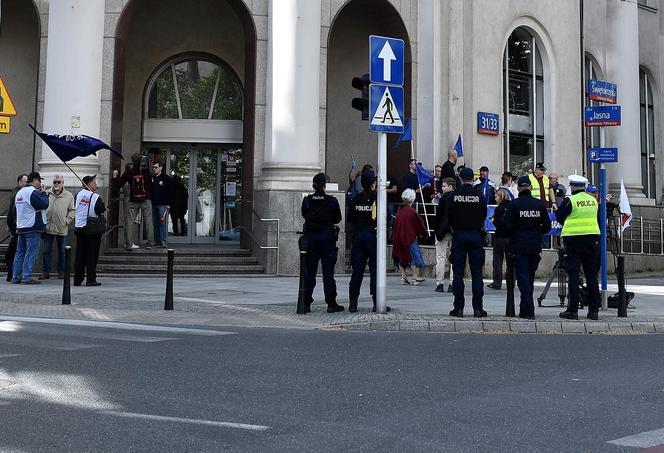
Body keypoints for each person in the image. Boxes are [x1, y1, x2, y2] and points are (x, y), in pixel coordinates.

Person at [502, 176, 552, 319]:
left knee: (523, 278)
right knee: (529, 277)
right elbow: (547, 226)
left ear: (518, 189)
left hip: (519, 245)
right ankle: (525, 307)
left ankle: (528, 309)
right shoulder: (539, 204)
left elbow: (507, 226)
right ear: (530, 187)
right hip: (535, 245)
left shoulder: (514, 205)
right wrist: (537, 233)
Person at [556, 175, 601, 320]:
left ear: (573, 187)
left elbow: (559, 216)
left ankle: (573, 309)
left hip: (573, 240)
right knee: (592, 275)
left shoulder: (570, 200)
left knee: (573, 275)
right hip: (592, 240)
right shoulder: (593, 200)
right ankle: (594, 311)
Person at [445, 167, 487, 317]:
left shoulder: (453, 195)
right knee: (477, 274)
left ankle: (459, 308)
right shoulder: (479, 195)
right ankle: (478, 308)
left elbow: (448, 216)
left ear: (460, 178)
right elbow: (484, 214)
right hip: (475, 235)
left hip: (459, 235)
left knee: (457, 273)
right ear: (473, 179)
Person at [347, 171, 390, 313]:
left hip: (359, 237)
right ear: (373, 183)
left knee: (357, 272)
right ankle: (376, 302)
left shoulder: (356, 198)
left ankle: (353, 303)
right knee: (375, 271)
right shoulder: (378, 198)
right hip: (373, 237)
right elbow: (387, 218)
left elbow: (350, 219)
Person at [301, 172, 344, 313]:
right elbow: (337, 218)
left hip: (311, 239)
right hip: (327, 239)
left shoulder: (307, 200)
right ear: (325, 185)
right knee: (328, 274)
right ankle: (331, 303)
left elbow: (304, 215)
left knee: (309, 273)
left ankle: (306, 303)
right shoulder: (331, 201)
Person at [11, 172, 49, 284]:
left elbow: (14, 211)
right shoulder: (34, 192)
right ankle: (26, 276)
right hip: (33, 226)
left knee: (20, 252)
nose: (40, 183)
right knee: (31, 252)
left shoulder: (19, 193)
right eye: (39, 181)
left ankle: (16, 276)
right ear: (34, 181)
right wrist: (44, 193)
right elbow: (45, 204)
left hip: (21, 226)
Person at [112, 153, 154, 249]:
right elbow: (153, 177)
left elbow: (118, 184)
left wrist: (115, 177)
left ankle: (129, 244)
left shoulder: (129, 172)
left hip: (133, 199)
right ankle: (150, 243)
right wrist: (149, 164)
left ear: (133, 161)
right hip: (146, 199)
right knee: (148, 221)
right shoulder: (146, 171)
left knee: (130, 222)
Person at [40, 174, 75, 279]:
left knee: (62, 251)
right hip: (48, 227)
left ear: (63, 183)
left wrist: (66, 221)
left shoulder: (68, 195)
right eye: (55, 182)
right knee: (46, 251)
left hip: (61, 228)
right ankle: (45, 272)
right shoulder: (47, 193)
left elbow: (72, 211)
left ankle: (62, 272)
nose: (56, 184)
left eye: (58, 182)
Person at [74, 175, 106, 287]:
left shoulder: (78, 195)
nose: (96, 184)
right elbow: (100, 209)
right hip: (91, 229)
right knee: (92, 255)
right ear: (88, 184)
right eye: (94, 182)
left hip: (79, 227)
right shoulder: (95, 196)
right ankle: (91, 279)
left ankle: (77, 279)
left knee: (80, 255)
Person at [392, 188, 427, 285]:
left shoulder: (400, 209)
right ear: (412, 199)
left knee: (400, 256)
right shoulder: (411, 211)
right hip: (409, 237)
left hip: (398, 236)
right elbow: (419, 223)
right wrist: (424, 233)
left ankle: (403, 277)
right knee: (412, 257)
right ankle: (415, 278)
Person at [434, 178, 456, 292]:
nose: (442, 188)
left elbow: (438, 216)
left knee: (440, 257)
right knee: (454, 257)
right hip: (454, 231)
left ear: (451, 186)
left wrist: (436, 230)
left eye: (444, 186)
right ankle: (452, 284)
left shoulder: (443, 199)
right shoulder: (457, 198)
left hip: (442, 230)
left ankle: (440, 284)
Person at [5, 174, 27, 282]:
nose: (26, 183)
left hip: (16, 225)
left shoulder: (17, 192)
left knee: (15, 251)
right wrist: (11, 226)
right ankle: (13, 274)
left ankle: (12, 274)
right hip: (17, 225)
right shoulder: (18, 194)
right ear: (19, 182)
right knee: (16, 251)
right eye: (24, 181)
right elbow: (12, 211)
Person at [487, 188, 512, 290]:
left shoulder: (499, 208)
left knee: (498, 260)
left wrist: (493, 221)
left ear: (501, 196)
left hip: (500, 237)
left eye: (496, 196)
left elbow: (497, 223)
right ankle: (511, 281)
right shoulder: (512, 206)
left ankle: (497, 282)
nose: (495, 198)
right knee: (511, 261)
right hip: (510, 237)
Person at [150, 161, 174, 247]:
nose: (154, 169)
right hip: (153, 204)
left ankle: (163, 240)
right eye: (153, 167)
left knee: (162, 222)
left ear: (161, 168)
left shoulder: (166, 178)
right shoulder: (152, 178)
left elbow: (170, 192)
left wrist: (168, 204)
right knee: (155, 223)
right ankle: (157, 241)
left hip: (163, 204)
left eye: (156, 167)